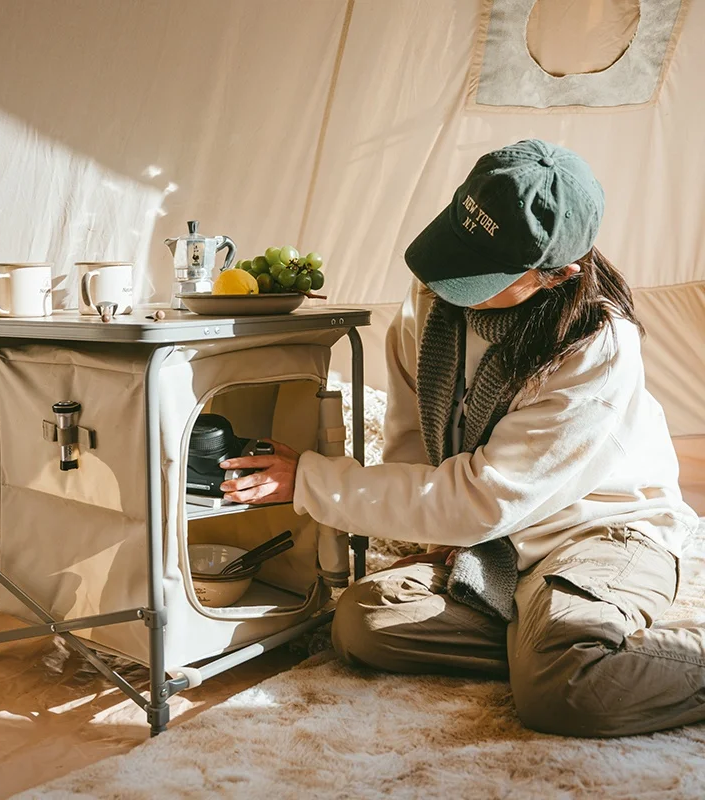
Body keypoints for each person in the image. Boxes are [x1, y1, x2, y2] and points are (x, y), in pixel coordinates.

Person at [219, 139, 702, 738]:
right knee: (362, 623)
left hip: (596, 529)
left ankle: (559, 651)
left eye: (480, 272)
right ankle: (544, 638)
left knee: (566, 693)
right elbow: (409, 445)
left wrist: (312, 480)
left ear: (555, 275)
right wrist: (433, 533)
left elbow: (483, 500)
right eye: (459, 247)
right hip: (496, 542)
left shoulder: (596, 347)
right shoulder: (430, 299)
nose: (449, 280)